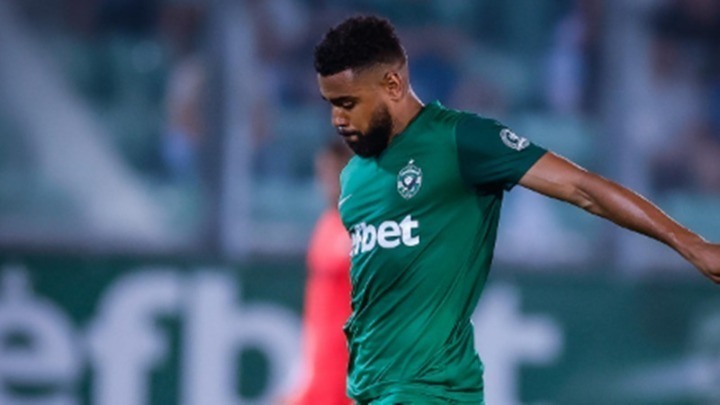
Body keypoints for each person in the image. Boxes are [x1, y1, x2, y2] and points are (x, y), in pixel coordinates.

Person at [312, 15, 720, 405]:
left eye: (348, 103)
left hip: (430, 392)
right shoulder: (354, 180)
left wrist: (691, 244)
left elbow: (582, 188)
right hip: (369, 391)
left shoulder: (460, 140)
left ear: (393, 84)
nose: (337, 119)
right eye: (331, 104)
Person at [285, 139, 354, 405]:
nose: (329, 183)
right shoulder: (326, 226)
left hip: (353, 374)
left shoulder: (376, 229)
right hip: (322, 371)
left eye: (336, 172)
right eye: (324, 173)